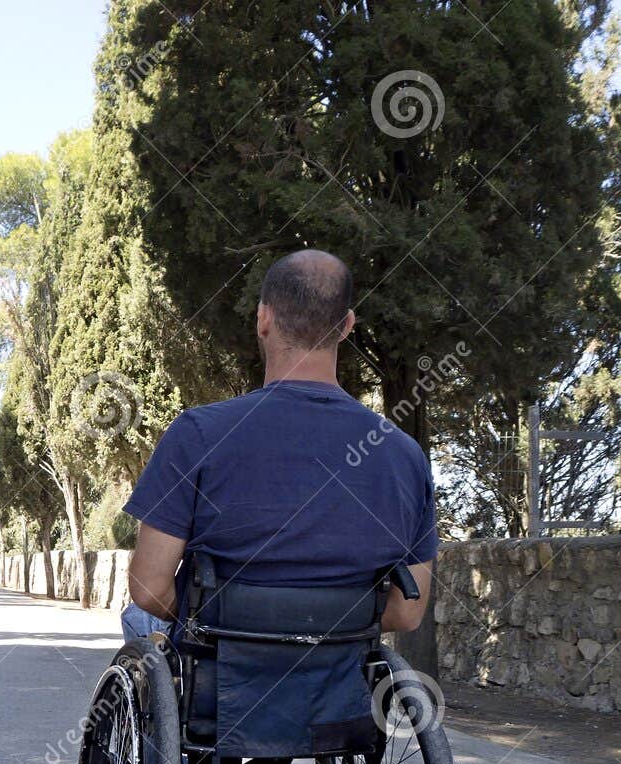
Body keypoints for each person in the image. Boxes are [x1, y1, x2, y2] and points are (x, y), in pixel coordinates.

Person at [120, 249, 436, 643]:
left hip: (218, 680)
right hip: (340, 681)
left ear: (263, 318)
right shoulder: (405, 456)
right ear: (346, 325)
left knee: (137, 617)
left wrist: (216, 615)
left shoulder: (197, 433)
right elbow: (407, 612)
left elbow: (149, 586)